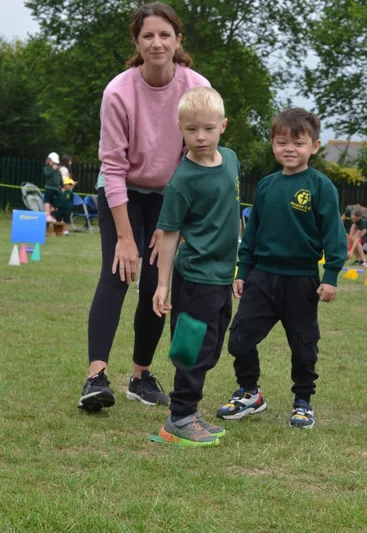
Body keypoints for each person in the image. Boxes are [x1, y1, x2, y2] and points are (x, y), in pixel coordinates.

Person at [78, 2, 210, 413]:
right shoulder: (118, 92)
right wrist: (124, 237)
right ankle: (95, 377)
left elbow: (199, 158)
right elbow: (113, 167)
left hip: (170, 194)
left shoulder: (195, 87)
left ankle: (140, 375)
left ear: (177, 41)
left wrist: (174, 221)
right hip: (123, 191)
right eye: (148, 35)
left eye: (164, 35)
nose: (157, 42)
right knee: (118, 273)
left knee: (155, 282)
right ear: (137, 42)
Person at [217, 107, 347, 430]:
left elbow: (334, 235)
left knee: (304, 347)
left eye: (298, 143)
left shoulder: (321, 187)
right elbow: (252, 233)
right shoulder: (265, 186)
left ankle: (303, 401)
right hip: (261, 278)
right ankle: (250, 392)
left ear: (314, 146)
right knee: (239, 339)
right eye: (281, 142)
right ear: (273, 145)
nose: (289, 149)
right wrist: (242, 271)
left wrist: (330, 276)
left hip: (301, 281)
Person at [152, 87, 240, 446]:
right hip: (195, 277)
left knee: (213, 346)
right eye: (191, 130)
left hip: (222, 275)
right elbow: (168, 234)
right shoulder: (182, 181)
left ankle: (191, 411)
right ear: (180, 128)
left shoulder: (231, 160)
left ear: (223, 126)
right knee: (193, 348)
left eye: (207, 128)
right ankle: (179, 418)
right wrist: (162, 285)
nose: (199, 137)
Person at [44, 152, 62, 222]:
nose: (55, 164)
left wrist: (62, 185)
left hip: (56, 189)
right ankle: (47, 215)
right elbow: (47, 175)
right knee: (47, 200)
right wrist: (53, 170)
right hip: (49, 187)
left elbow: (59, 177)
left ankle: (52, 213)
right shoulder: (47, 168)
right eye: (53, 162)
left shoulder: (57, 170)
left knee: (57, 201)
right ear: (49, 161)